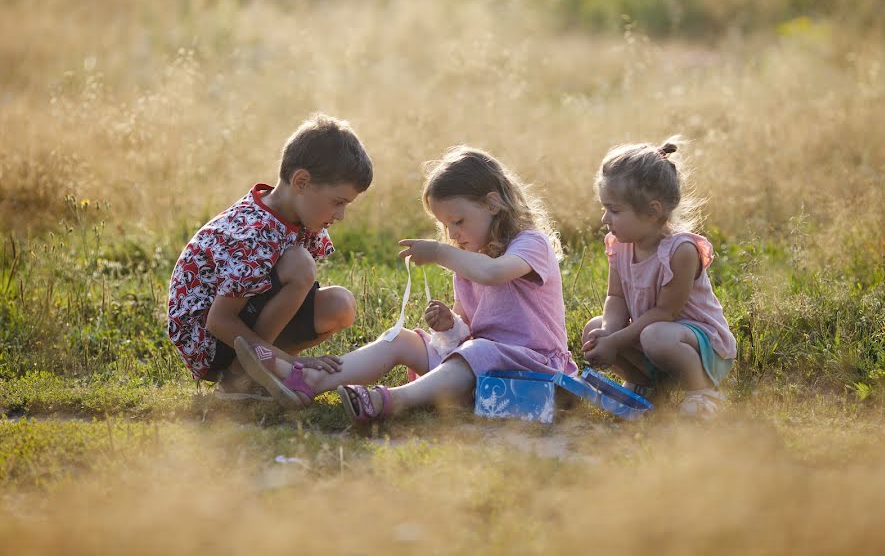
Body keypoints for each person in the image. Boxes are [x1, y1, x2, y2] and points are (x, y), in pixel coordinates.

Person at [237, 145, 577, 419]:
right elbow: (467, 333)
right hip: (480, 366)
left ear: (493, 203)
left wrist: (440, 252)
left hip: (535, 367)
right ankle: (308, 381)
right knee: (403, 339)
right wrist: (449, 325)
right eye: (446, 227)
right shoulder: (469, 259)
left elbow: (493, 274)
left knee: (479, 350)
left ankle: (390, 401)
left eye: (458, 221)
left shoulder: (530, 244)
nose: (453, 235)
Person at [166, 113, 371, 405]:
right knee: (300, 265)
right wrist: (287, 360)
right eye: (338, 202)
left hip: (246, 322)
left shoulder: (300, 218)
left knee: (341, 305)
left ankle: (262, 370)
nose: (341, 215)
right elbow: (218, 321)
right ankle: (242, 376)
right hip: (209, 340)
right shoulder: (254, 233)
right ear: (301, 181)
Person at [581, 137, 737, 418]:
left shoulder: (681, 251)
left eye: (614, 210)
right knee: (595, 326)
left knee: (655, 335)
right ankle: (645, 385)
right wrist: (608, 332)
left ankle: (703, 390)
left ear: (653, 211)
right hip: (652, 336)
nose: (605, 218)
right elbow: (615, 297)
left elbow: (666, 312)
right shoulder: (619, 244)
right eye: (605, 208)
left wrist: (617, 341)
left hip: (698, 344)